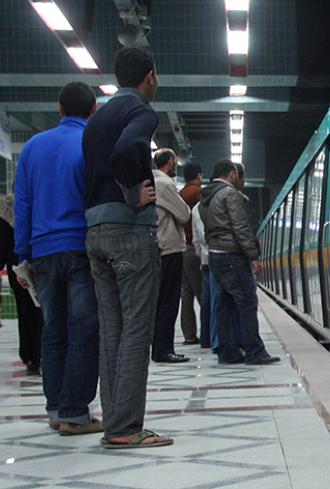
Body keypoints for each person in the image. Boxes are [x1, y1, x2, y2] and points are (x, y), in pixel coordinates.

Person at [82, 46, 172, 448]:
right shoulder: (142, 111)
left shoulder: (96, 119)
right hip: (129, 232)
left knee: (112, 329)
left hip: (95, 231)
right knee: (137, 328)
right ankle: (126, 428)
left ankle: (114, 422)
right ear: (149, 77)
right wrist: (132, 191)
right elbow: (124, 151)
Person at [13, 81, 101, 435]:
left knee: (53, 330)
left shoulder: (33, 147)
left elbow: (23, 204)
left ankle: (55, 409)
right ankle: (75, 413)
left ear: (59, 109)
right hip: (81, 248)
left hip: (43, 251)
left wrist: (24, 254)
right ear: (93, 111)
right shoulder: (91, 143)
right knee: (84, 330)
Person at [200, 160, 279, 365]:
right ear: (233, 173)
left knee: (223, 305)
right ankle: (255, 352)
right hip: (232, 255)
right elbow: (240, 227)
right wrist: (253, 256)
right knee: (247, 303)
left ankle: (228, 352)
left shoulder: (205, 197)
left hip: (215, 254)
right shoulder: (229, 194)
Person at [151, 148, 191, 363]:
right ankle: (163, 350)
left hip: (159, 248)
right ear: (170, 162)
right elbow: (184, 214)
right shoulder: (164, 184)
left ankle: (160, 348)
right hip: (169, 248)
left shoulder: (151, 181)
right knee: (169, 301)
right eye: (175, 161)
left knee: (160, 301)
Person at [0, 195, 43, 377]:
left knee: (26, 313)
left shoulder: (9, 209)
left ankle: (30, 356)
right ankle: (39, 354)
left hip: (17, 265)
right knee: (41, 311)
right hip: (37, 259)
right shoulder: (38, 203)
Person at [179, 162, 203, 346]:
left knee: (186, 294)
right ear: (198, 175)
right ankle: (210, 333)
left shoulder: (180, 194)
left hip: (181, 248)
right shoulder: (197, 193)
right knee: (203, 292)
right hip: (193, 248)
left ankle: (189, 335)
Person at [191, 200, 213, 349]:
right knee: (221, 300)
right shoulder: (220, 201)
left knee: (206, 300)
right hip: (220, 256)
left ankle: (206, 338)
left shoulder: (196, 208)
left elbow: (196, 240)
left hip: (205, 260)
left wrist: (202, 256)